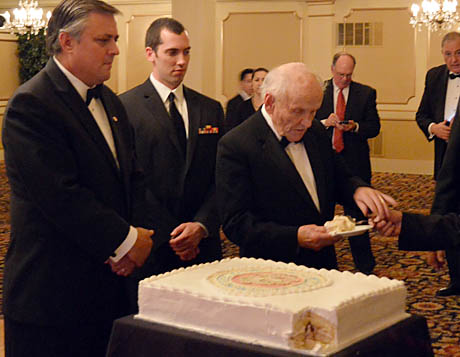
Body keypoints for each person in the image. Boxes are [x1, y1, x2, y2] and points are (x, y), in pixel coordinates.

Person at [2, 1, 154, 356]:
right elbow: (60, 196)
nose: (115, 49)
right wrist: (127, 241)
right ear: (67, 42)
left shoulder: (112, 103)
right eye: (104, 40)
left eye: (114, 39)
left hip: (109, 291)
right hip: (51, 300)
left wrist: (139, 238)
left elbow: (134, 179)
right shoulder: (31, 104)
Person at [216, 62, 395, 269]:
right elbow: (236, 224)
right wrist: (296, 237)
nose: (307, 122)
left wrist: (357, 190)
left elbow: (339, 177)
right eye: (298, 111)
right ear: (270, 102)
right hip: (271, 269)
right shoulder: (236, 145)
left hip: (323, 263)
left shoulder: (315, 132)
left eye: (313, 112)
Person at [119, 17, 223, 307]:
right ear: (150, 54)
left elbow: (221, 177)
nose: (181, 61)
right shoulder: (125, 108)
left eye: (186, 52)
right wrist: (174, 237)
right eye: (172, 52)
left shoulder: (210, 109)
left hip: (203, 244)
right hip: (152, 246)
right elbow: (129, 182)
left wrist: (201, 226)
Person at [315, 52, 380, 274]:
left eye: (349, 75)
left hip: (354, 164)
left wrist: (355, 127)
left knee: (358, 216)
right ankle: (321, 263)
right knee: (321, 215)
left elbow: (374, 127)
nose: (345, 79)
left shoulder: (366, 93)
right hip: (323, 163)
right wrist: (324, 123)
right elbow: (305, 124)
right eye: (341, 74)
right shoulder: (317, 91)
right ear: (332, 70)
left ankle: (365, 267)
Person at [416, 31, 460, 296]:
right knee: (449, 216)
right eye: (448, 54)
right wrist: (434, 128)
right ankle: (457, 280)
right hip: (445, 157)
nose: (454, 60)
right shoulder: (434, 76)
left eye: (459, 53)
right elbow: (421, 115)